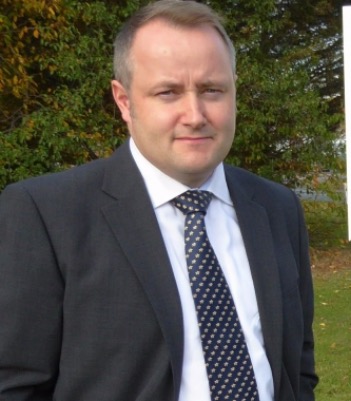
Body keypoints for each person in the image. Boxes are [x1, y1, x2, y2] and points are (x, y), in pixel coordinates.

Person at [0, 1, 318, 400]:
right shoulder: (46, 215)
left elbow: (297, 365)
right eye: (168, 92)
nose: (195, 115)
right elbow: (15, 385)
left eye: (212, 90)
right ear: (124, 101)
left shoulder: (277, 208)